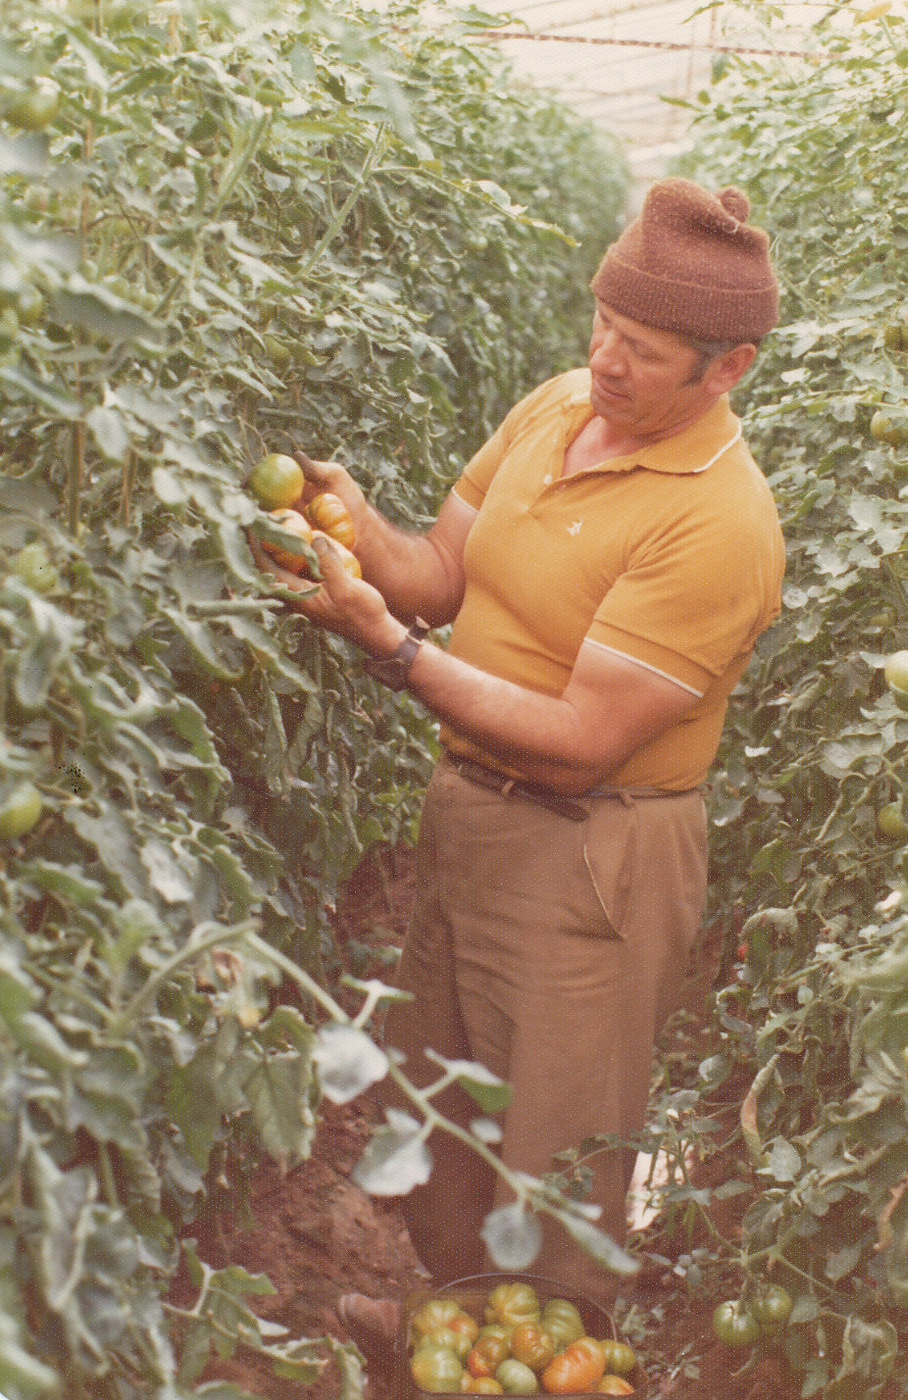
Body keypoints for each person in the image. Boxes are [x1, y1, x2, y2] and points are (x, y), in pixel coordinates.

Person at [260, 176, 784, 1342]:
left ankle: (549, 1355)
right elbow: (441, 574)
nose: (605, 360)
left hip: (590, 857)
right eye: (603, 327)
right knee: (447, 1104)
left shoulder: (718, 523)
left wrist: (388, 651)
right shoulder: (554, 406)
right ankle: (452, 1334)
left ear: (728, 368)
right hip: (474, 815)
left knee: (554, 1143)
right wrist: (358, 530)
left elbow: (576, 745)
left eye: (642, 351)